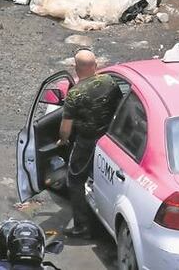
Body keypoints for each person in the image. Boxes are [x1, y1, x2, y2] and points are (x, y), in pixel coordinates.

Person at [57, 49, 122, 238]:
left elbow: (65, 127)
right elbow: (120, 105)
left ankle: (82, 227)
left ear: (76, 68)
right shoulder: (110, 81)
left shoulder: (75, 94)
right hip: (110, 138)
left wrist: (62, 140)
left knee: (75, 180)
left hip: (86, 142)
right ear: (95, 66)